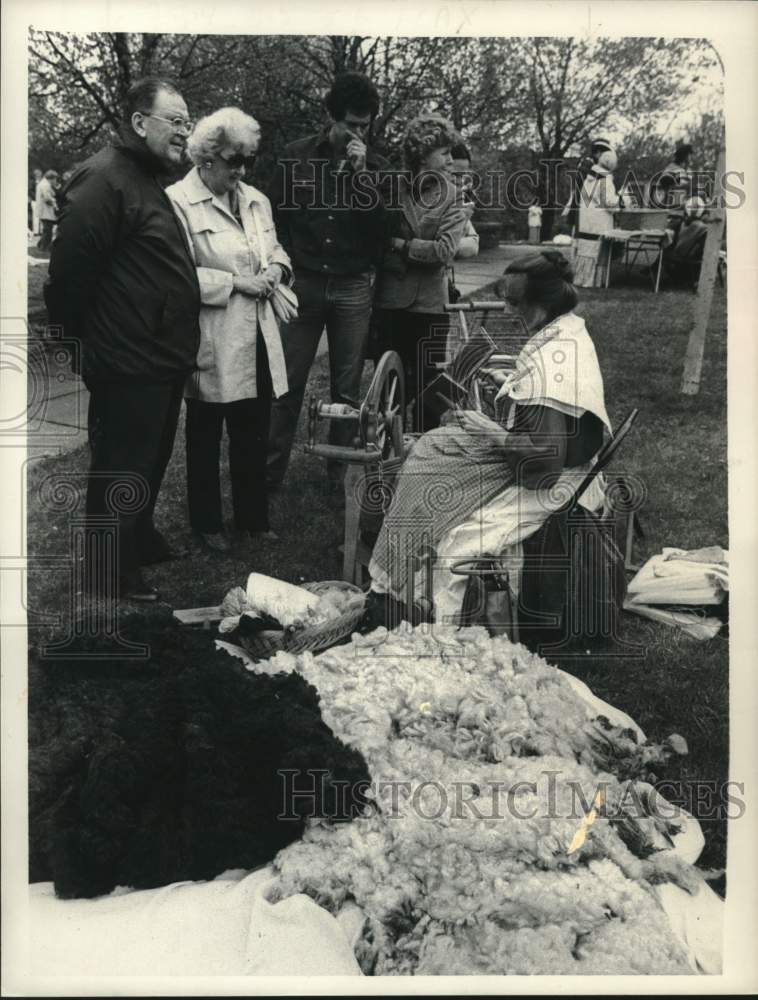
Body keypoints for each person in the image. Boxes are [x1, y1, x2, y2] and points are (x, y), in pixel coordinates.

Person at [366, 251, 611, 627]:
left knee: (456, 546)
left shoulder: (553, 361)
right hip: (551, 464)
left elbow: (545, 462)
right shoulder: (567, 330)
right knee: (432, 455)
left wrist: (491, 430)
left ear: (542, 303)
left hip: (558, 480)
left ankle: (448, 637)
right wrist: (512, 384)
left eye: (515, 304)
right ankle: (404, 579)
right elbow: (551, 409)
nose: (509, 311)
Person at [44, 76, 201, 602]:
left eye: (188, 122)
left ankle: (137, 540)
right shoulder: (104, 179)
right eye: (175, 121)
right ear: (140, 123)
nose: (186, 132)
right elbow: (67, 278)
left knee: (150, 455)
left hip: (160, 354)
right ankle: (107, 571)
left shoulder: (144, 177)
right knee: (123, 463)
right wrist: (85, 347)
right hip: (128, 358)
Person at [167, 108, 292, 553]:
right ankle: (207, 522)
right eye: (231, 161)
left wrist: (277, 269)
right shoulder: (177, 201)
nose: (240, 171)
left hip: (256, 332)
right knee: (205, 431)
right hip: (212, 334)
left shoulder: (256, 199)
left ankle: (253, 519)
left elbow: (274, 248)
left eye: (246, 161)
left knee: (252, 429)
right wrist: (239, 283)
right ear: (204, 159)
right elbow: (178, 276)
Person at [266, 71, 388, 493]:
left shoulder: (376, 166)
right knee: (285, 384)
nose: (357, 132)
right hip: (303, 285)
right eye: (350, 124)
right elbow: (274, 220)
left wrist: (361, 177)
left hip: (353, 286)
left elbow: (382, 229)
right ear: (330, 117)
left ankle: (340, 473)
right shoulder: (295, 156)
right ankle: (268, 476)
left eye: (364, 125)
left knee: (347, 389)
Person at [372, 114, 469, 433]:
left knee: (428, 388)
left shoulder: (453, 195)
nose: (450, 161)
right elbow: (374, 241)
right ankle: (386, 455)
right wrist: (405, 249)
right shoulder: (390, 188)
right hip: (391, 302)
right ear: (422, 154)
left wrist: (402, 245)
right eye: (444, 153)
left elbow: (444, 251)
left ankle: (423, 455)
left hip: (429, 306)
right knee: (389, 386)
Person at [573, 139, 621, 287]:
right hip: (599, 221)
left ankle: (583, 278)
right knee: (598, 251)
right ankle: (595, 281)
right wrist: (621, 199)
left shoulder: (590, 176)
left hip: (587, 220)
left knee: (587, 251)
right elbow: (608, 202)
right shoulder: (604, 178)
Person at [660, 195, 709, 288]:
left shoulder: (686, 225)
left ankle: (656, 269)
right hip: (694, 256)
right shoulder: (704, 227)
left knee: (665, 248)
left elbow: (678, 243)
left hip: (683, 255)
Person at [654, 142, 694, 209]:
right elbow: (665, 181)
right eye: (689, 155)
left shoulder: (686, 170)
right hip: (665, 203)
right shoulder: (672, 168)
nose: (691, 157)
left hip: (678, 203)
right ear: (685, 156)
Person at [36, 170, 59, 251]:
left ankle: (41, 246)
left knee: (46, 230)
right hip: (46, 211)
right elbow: (47, 199)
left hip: (43, 211)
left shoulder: (43, 183)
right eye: (55, 179)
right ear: (51, 178)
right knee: (48, 231)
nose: (55, 181)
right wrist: (55, 205)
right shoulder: (45, 185)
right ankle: (44, 248)